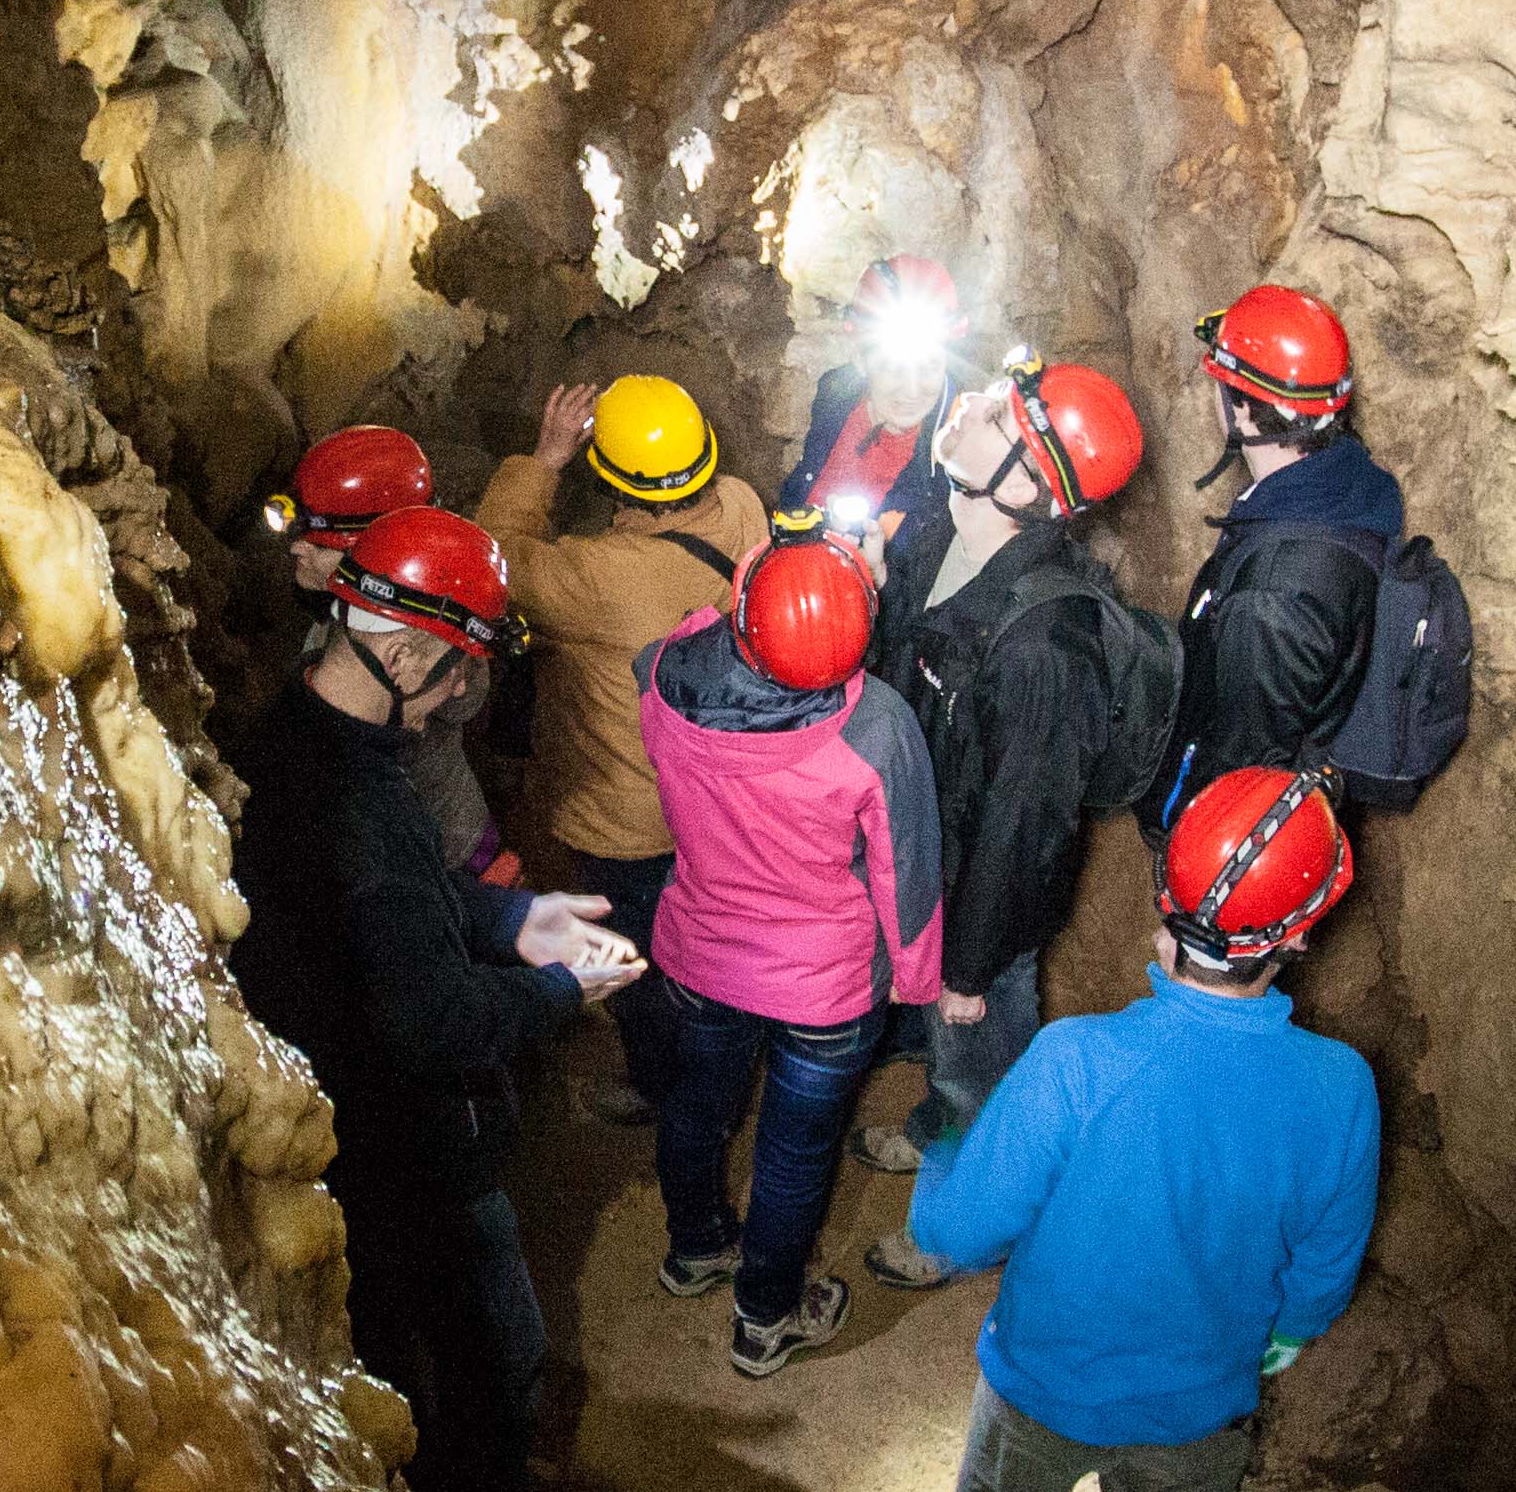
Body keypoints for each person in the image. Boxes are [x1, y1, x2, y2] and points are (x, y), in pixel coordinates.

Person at [905, 767, 1380, 1492]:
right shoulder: (1339, 1089)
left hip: (1043, 1394)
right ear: (1301, 939)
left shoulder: (1078, 1062)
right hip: (1202, 1412)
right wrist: (1262, 1347)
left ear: (1165, 897)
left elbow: (963, 1231)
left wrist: (942, 1158)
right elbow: (1317, 1285)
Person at [227, 506, 631, 1492]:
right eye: (454, 673)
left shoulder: (296, 744)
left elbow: (409, 908)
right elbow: (435, 1025)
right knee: (495, 1361)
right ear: (403, 653)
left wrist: (517, 919)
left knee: (416, 1352)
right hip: (415, 1149)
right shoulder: (357, 805)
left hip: (351, 1118)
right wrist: (563, 989)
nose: (462, 697)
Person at [850, 357, 1160, 1191]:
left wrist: (970, 970)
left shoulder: (1047, 651)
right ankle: (937, 1122)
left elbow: (1025, 826)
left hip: (980, 900)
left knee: (978, 1055)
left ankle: (968, 1210)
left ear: (1026, 489)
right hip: (930, 848)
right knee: (947, 1048)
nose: (971, 402)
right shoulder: (941, 525)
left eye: (999, 417)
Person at [636, 540, 942, 1377]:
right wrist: (916, 984)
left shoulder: (660, 677)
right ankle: (765, 1318)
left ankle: (694, 1247)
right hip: (827, 990)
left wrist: (758, 589)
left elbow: (696, 635)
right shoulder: (876, 724)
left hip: (702, 958)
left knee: (698, 1106)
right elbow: (904, 869)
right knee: (793, 1155)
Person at [476, 372, 757, 1124]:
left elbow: (495, 561)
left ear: (611, 477)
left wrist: (545, 458)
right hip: (723, 792)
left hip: (630, 813)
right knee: (710, 934)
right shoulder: (739, 502)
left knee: (637, 957)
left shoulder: (600, 576)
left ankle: (664, 1087)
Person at [1163, 280, 1401, 819]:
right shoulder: (1348, 487)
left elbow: (1243, 771)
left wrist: (1184, 840)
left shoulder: (1274, 595)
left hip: (1234, 847)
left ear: (1243, 412)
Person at [232, 421, 495, 872]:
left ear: (372, 551)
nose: (296, 549)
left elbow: (466, 698)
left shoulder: (435, 640)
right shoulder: (338, 617)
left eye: (318, 543)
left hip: (438, 846)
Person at [777, 253, 964, 553]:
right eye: (894, 368)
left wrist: (875, 575)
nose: (912, 389)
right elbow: (799, 487)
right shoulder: (836, 394)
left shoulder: (961, 454)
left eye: (929, 366)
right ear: (861, 361)